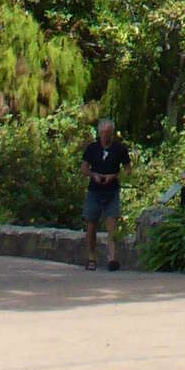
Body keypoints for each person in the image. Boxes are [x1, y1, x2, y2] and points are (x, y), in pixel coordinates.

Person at [81, 114, 131, 270]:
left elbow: (128, 170)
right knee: (91, 226)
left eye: (108, 132)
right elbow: (83, 168)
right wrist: (93, 175)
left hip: (112, 191)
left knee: (112, 227)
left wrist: (114, 176)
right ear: (99, 132)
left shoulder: (120, 149)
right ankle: (91, 257)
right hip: (94, 191)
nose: (105, 135)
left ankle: (112, 258)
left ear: (112, 133)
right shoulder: (92, 148)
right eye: (103, 132)